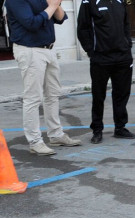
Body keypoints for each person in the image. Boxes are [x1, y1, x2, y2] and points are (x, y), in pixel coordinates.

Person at [5, 0, 81, 156]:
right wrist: (52, 6)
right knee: (33, 97)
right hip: (30, 50)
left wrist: (56, 4)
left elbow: (60, 18)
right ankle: (35, 141)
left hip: (49, 49)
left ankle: (56, 134)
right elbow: (31, 23)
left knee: (52, 94)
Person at [77, 0, 135, 144]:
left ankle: (120, 128)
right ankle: (97, 130)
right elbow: (82, 28)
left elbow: (125, 24)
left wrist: (128, 45)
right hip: (100, 58)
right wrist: (91, 51)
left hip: (123, 56)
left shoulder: (120, 1)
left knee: (122, 94)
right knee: (98, 96)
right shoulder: (88, 2)